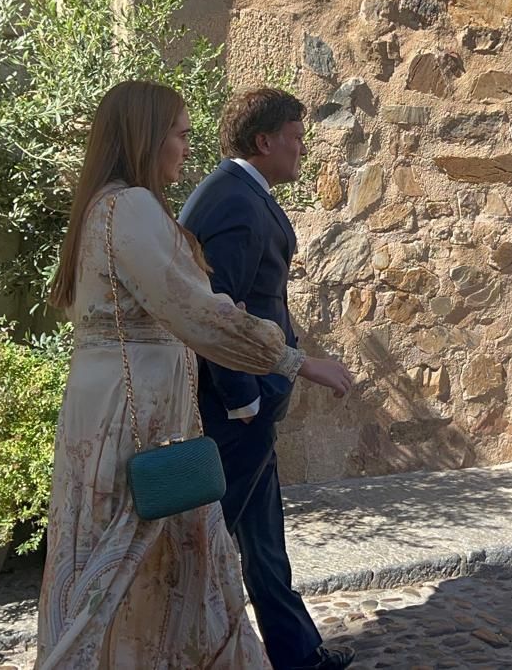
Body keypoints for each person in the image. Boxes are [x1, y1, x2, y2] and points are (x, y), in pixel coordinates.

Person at [35, 80, 354, 670]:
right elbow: (201, 309)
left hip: (122, 406)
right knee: (140, 566)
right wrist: (292, 361)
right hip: (134, 418)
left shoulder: (109, 205)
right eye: (180, 135)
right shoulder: (127, 206)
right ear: (148, 137)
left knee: (166, 564)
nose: (187, 147)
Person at [178, 88, 355, 670]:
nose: (302, 149)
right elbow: (217, 310)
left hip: (251, 406)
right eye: (296, 138)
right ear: (264, 141)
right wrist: (244, 400)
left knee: (263, 542)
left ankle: (298, 654)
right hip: (237, 411)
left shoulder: (240, 194)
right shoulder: (233, 201)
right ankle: (180, 652)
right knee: (206, 549)